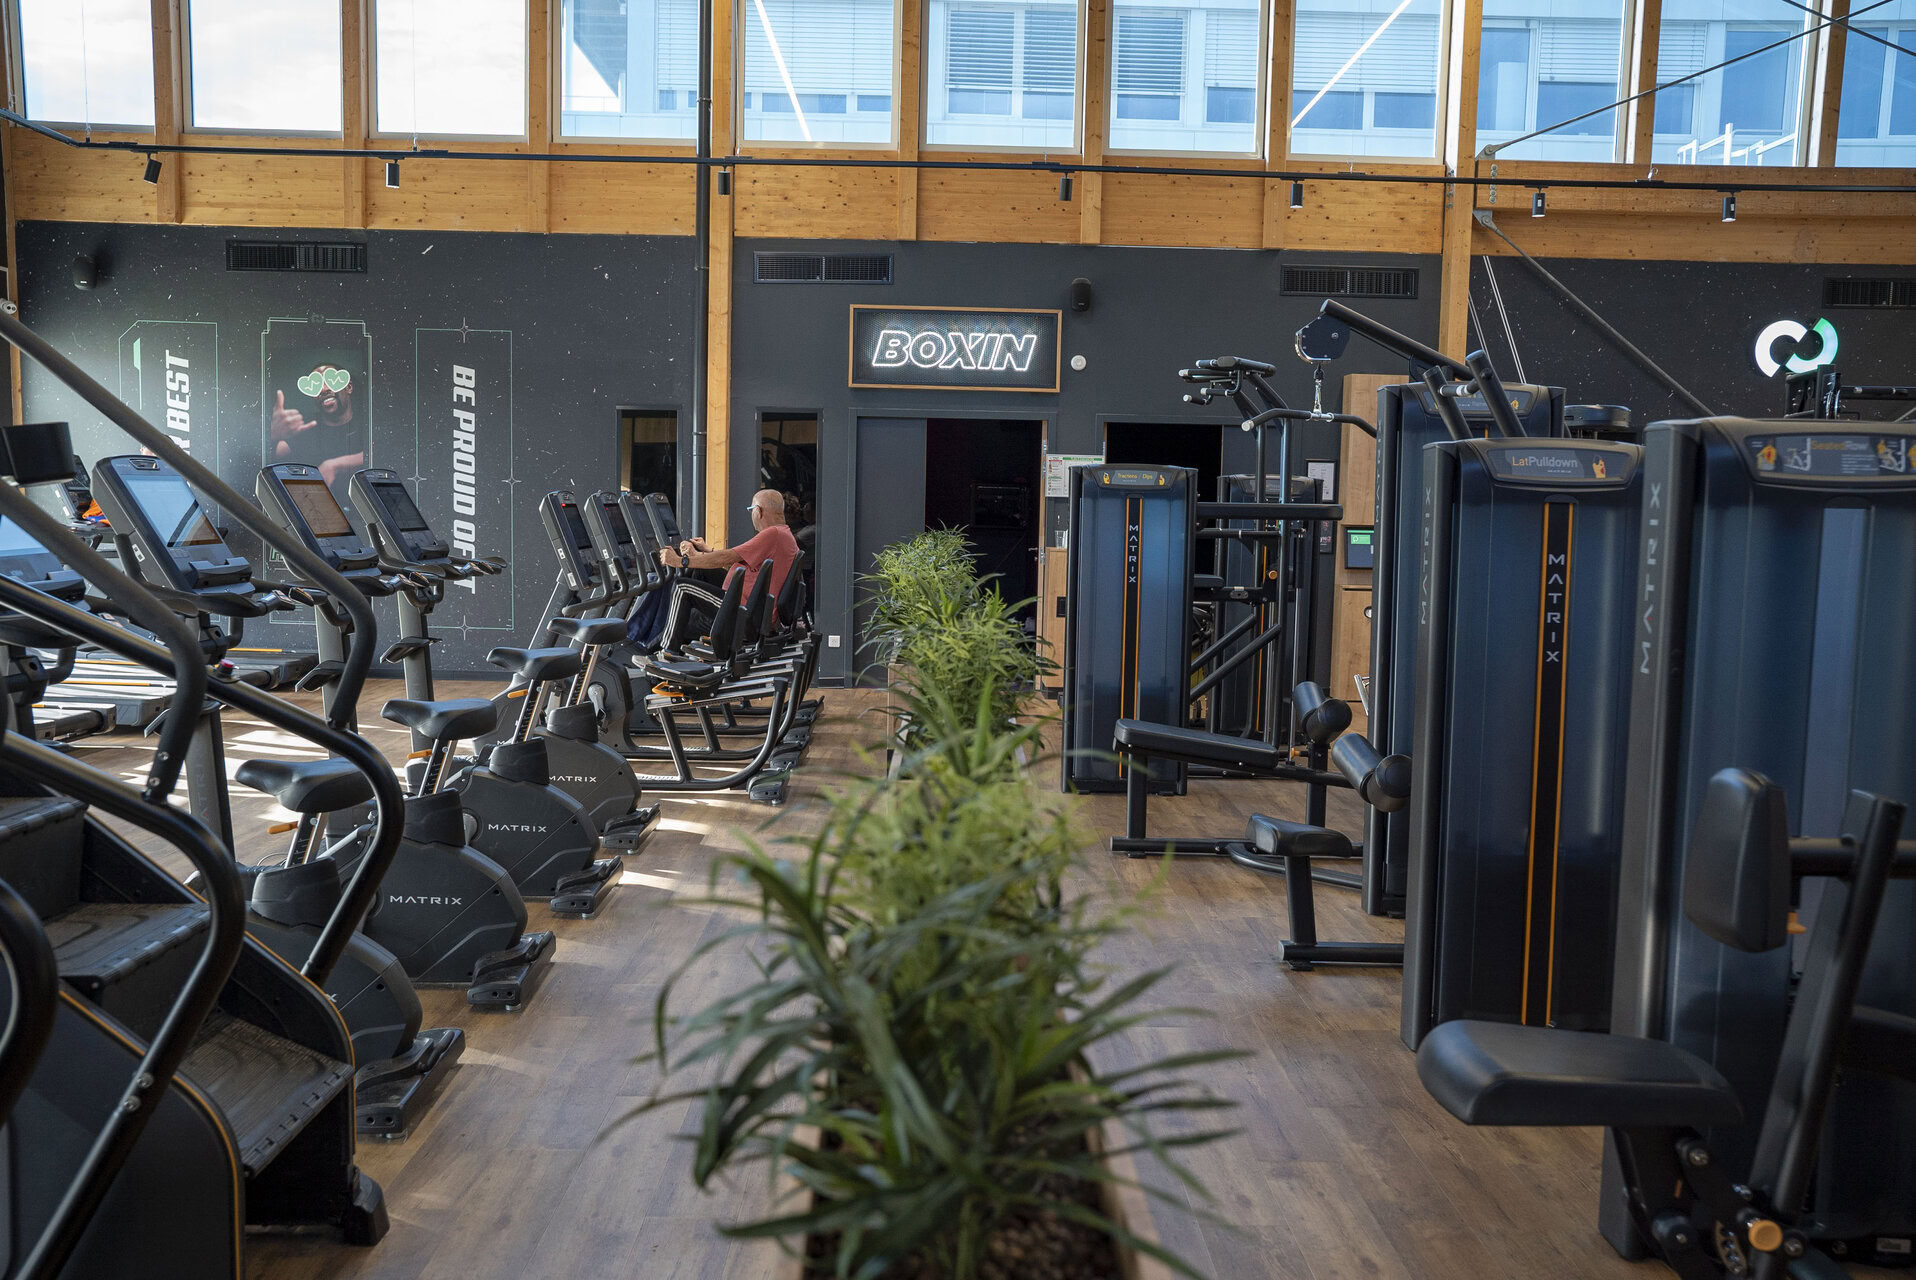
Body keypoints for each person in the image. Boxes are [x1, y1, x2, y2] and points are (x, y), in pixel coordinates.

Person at [652, 489, 799, 652]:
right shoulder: (783, 534)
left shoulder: (772, 534)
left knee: (682, 588)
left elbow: (728, 557)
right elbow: (737, 559)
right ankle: (678, 627)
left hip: (744, 613)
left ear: (758, 511)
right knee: (700, 573)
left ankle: (666, 653)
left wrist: (680, 561)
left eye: (751, 510)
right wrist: (704, 553)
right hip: (753, 607)